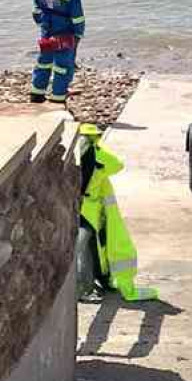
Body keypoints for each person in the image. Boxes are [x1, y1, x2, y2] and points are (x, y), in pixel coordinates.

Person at [78, 124, 158, 302]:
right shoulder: (97, 157)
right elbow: (117, 164)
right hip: (88, 212)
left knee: (88, 251)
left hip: (82, 210)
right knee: (83, 251)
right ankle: (84, 290)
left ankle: (90, 285)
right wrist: (99, 146)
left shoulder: (78, 157)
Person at [30, 0, 86, 105]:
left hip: (46, 32)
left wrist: (44, 24)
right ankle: (58, 97)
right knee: (63, 66)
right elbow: (78, 18)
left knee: (43, 62)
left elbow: (36, 12)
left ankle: (36, 93)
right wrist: (79, 35)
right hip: (65, 34)